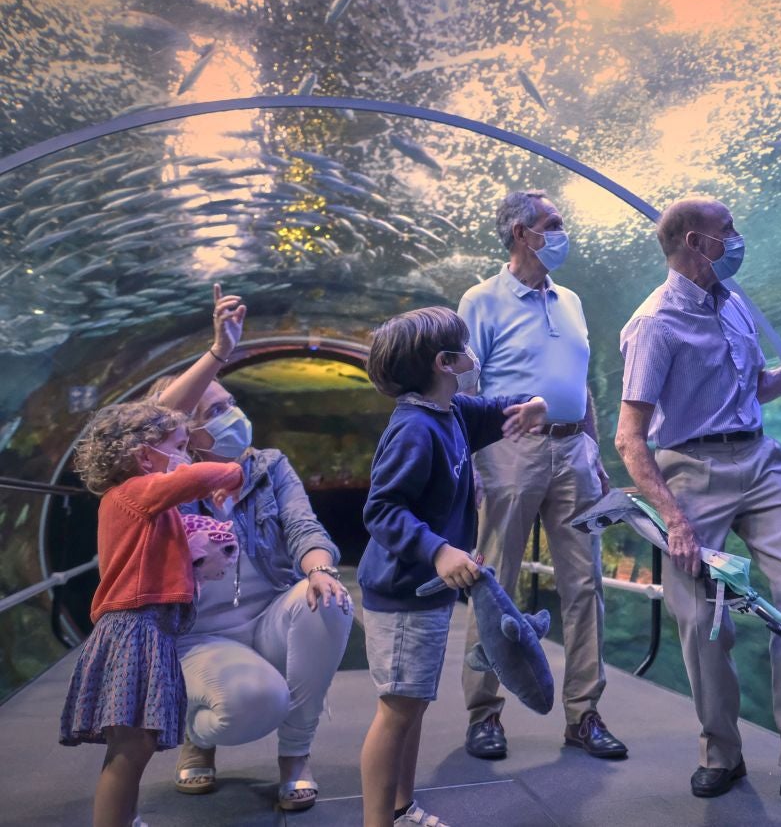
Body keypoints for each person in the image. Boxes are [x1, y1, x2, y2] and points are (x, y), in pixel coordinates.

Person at [613, 197, 781, 804]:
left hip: (759, 460)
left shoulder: (733, 306)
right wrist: (673, 520)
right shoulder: (653, 323)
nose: (736, 238)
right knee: (705, 622)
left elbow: (760, 386)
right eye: (725, 230)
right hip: (690, 471)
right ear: (692, 241)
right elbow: (629, 437)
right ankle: (721, 751)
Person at [153, 286, 353, 813]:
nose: (230, 414)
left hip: (269, 617)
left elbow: (304, 526)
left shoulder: (268, 465)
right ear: (183, 432)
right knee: (254, 702)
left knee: (330, 600)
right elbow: (140, 440)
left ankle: (295, 757)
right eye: (212, 410)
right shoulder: (159, 485)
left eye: (230, 402)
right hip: (200, 634)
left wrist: (320, 568)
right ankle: (197, 732)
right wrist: (218, 348)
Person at [358, 306, 547, 827]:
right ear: (445, 362)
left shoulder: (452, 412)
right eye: (465, 347)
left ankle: (400, 808)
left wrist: (536, 404)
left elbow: (500, 409)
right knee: (396, 710)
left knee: (412, 704)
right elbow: (382, 509)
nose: (473, 355)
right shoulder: (415, 429)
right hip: (402, 592)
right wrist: (439, 550)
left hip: (429, 590)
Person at [456, 190, 625, 760]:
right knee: (492, 581)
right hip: (509, 450)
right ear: (521, 233)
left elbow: (580, 384)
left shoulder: (572, 301)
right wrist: (474, 463)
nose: (562, 233)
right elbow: (464, 390)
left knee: (586, 584)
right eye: (553, 225)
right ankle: (484, 712)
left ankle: (584, 713)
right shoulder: (479, 300)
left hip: (573, 448)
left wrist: (594, 452)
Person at [62, 400, 244, 827]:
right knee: (129, 748)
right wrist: (227, 474)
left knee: (137, 744)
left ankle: (128, 818)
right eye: (179, 446)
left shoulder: (130, 501)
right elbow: (212, 474)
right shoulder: (135, 493)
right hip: (135, 629)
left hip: (146, 628)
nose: (186, 457)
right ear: (145, 456)